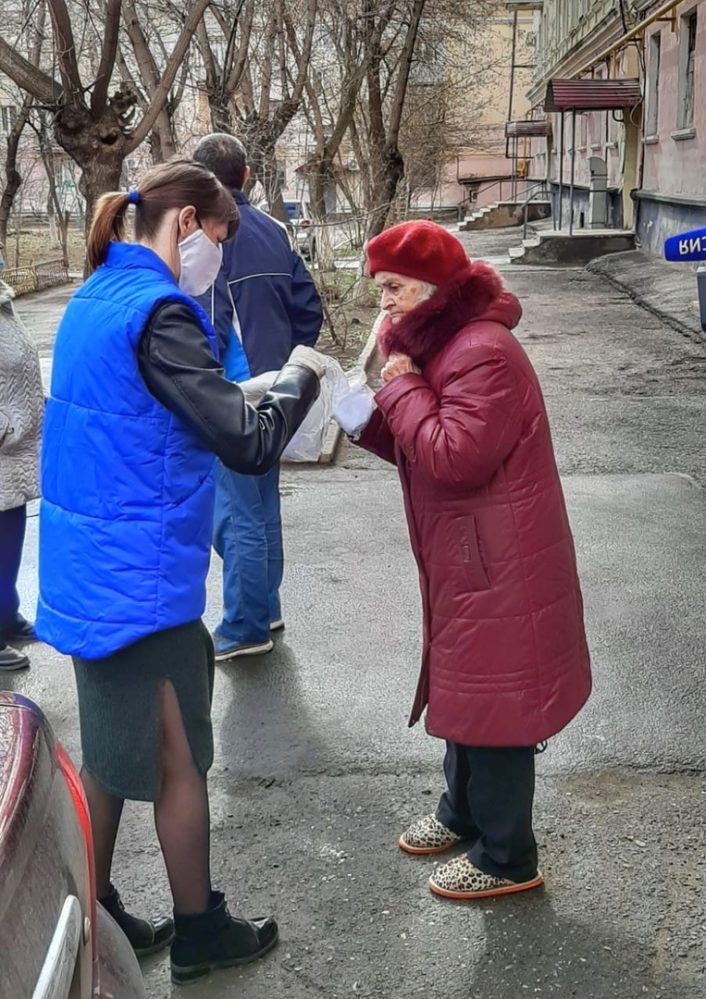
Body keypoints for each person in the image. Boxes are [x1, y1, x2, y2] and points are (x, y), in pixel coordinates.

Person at [35, 159, 325, 985]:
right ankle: (199, 930)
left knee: (110, 753)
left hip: (93, 568)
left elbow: (154, 409)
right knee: (175, 760)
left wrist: (242, 390)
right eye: (221, 240)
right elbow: (248, 442)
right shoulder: (161, 312)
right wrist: (301, 378)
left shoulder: (96, 295)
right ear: (189, 225)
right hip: (141, 577)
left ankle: (96, 913)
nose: (219, 260)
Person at [353, 220, 591, 901]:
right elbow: (425, 439)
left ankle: (508, 855)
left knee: (497, 706)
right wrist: (363, 419)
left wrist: (400, 387)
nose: (384, 303)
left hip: (497, 561)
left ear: (434, 287)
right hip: (470, 554)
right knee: (464, 691)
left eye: (395, 288)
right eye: (380, 289)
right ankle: (461, 813)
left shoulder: (482, 351)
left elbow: (455, 456)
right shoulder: (443, 342)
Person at [193, 133, 323, 661]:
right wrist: (286, 367)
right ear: (245, 175)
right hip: (276, 390)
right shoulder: (274, 230)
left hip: (232, 395)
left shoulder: (209, 235)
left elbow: (208, 325)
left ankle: (245, 626)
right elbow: (309, 309)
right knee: (262, 506)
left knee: (235, 513)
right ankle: (265, 607)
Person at [0, 275, 43, 671]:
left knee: (10, 538)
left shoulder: (3, 301)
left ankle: (6, 615)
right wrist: (5, 427)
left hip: (12, 455)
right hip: (4, 445)